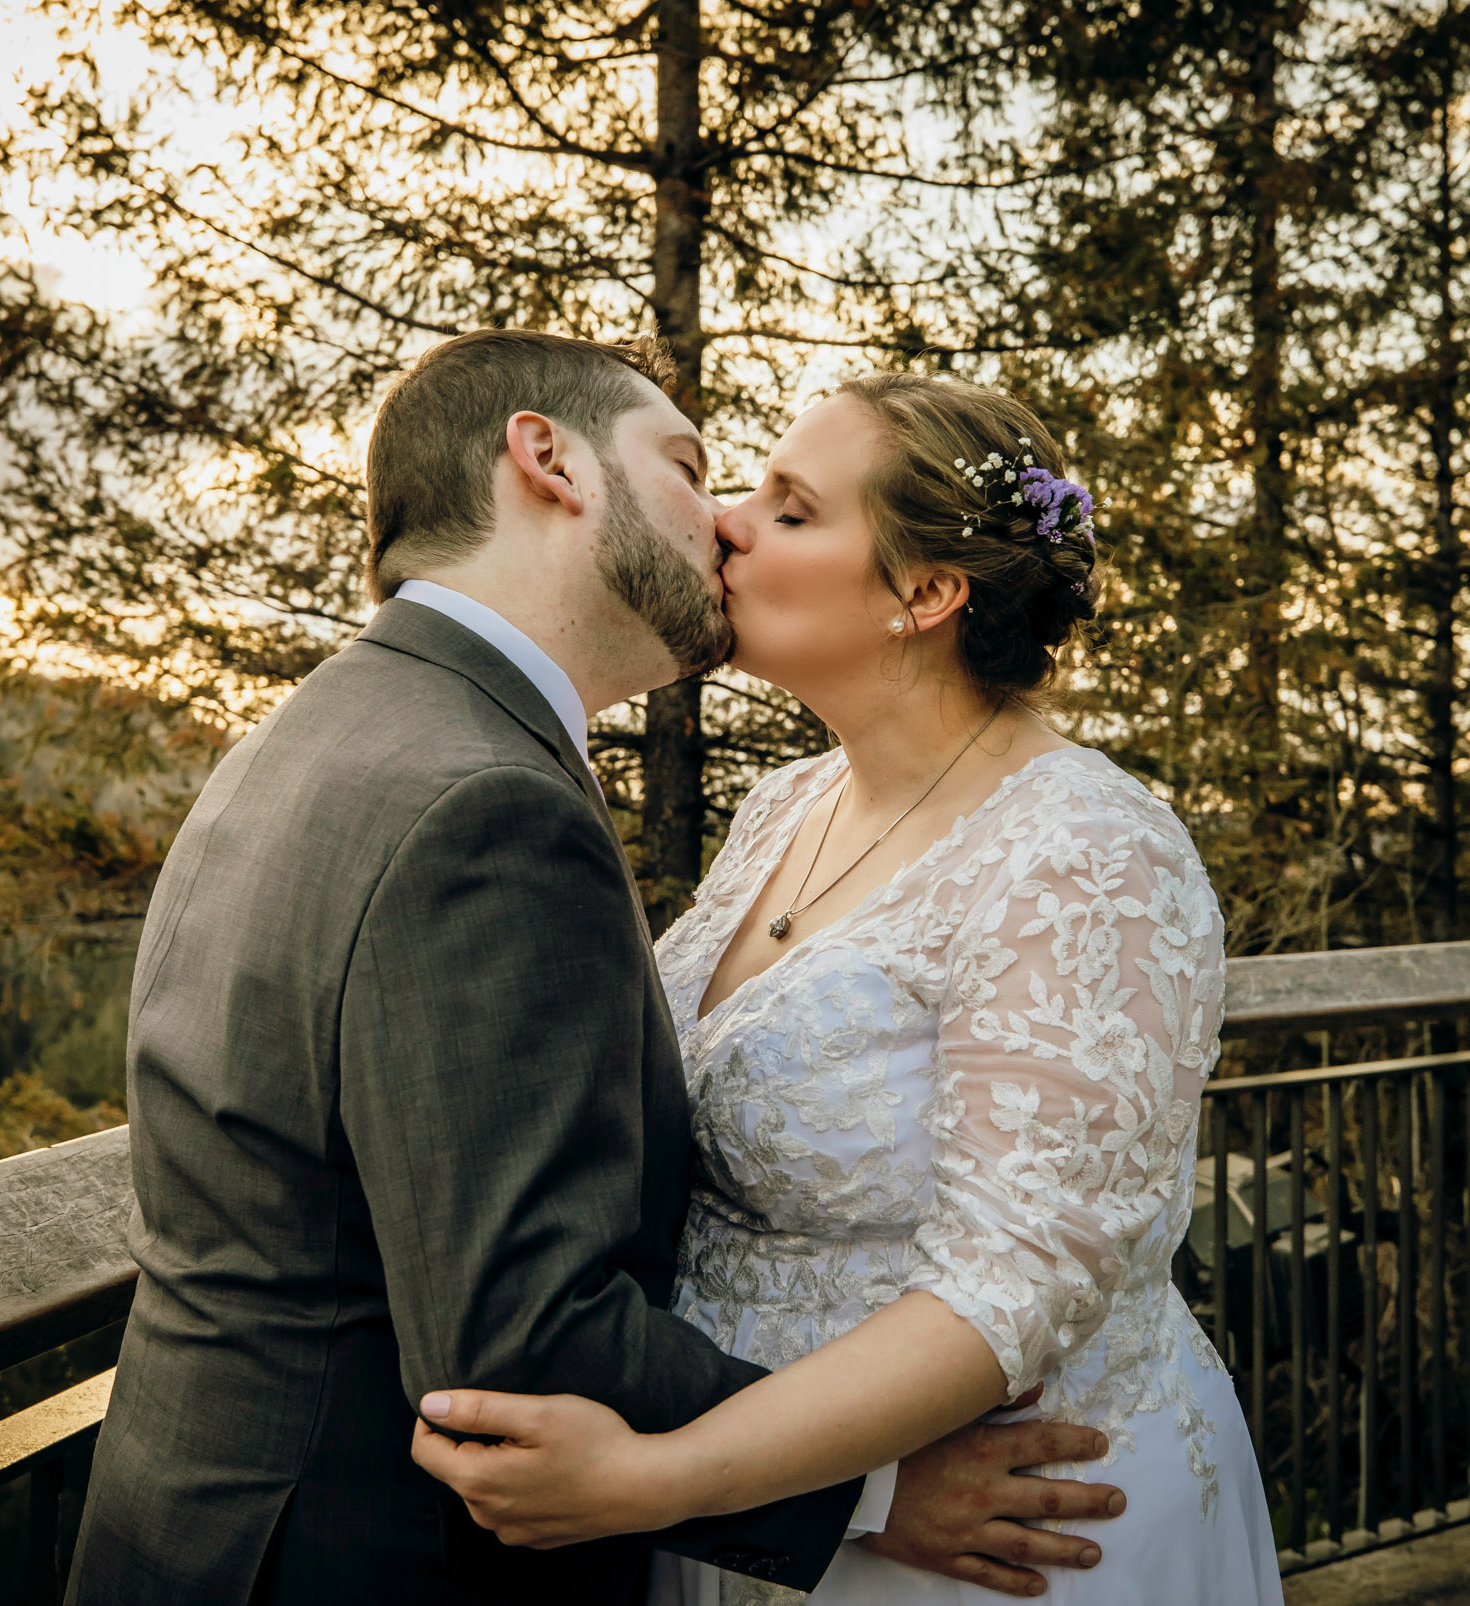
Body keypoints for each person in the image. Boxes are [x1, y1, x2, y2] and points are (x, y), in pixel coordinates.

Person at [64, 332, 1125, 1606]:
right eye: (690, 466)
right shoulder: (482, 798)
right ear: (546, 459)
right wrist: (871, 1492)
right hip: (357, 1552)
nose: (724, 521)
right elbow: (519, 1337)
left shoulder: (330, 729)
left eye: (781, 504)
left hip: (210, 1531)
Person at [410, 372, 1284, 1604]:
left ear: (924, 595)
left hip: (1000, 1539)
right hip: (765, 1512)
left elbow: (1012, 1281)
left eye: (791, 507)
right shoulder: (784, 808)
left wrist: (654, 1479)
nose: (728, 523)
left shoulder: (1087, 849)